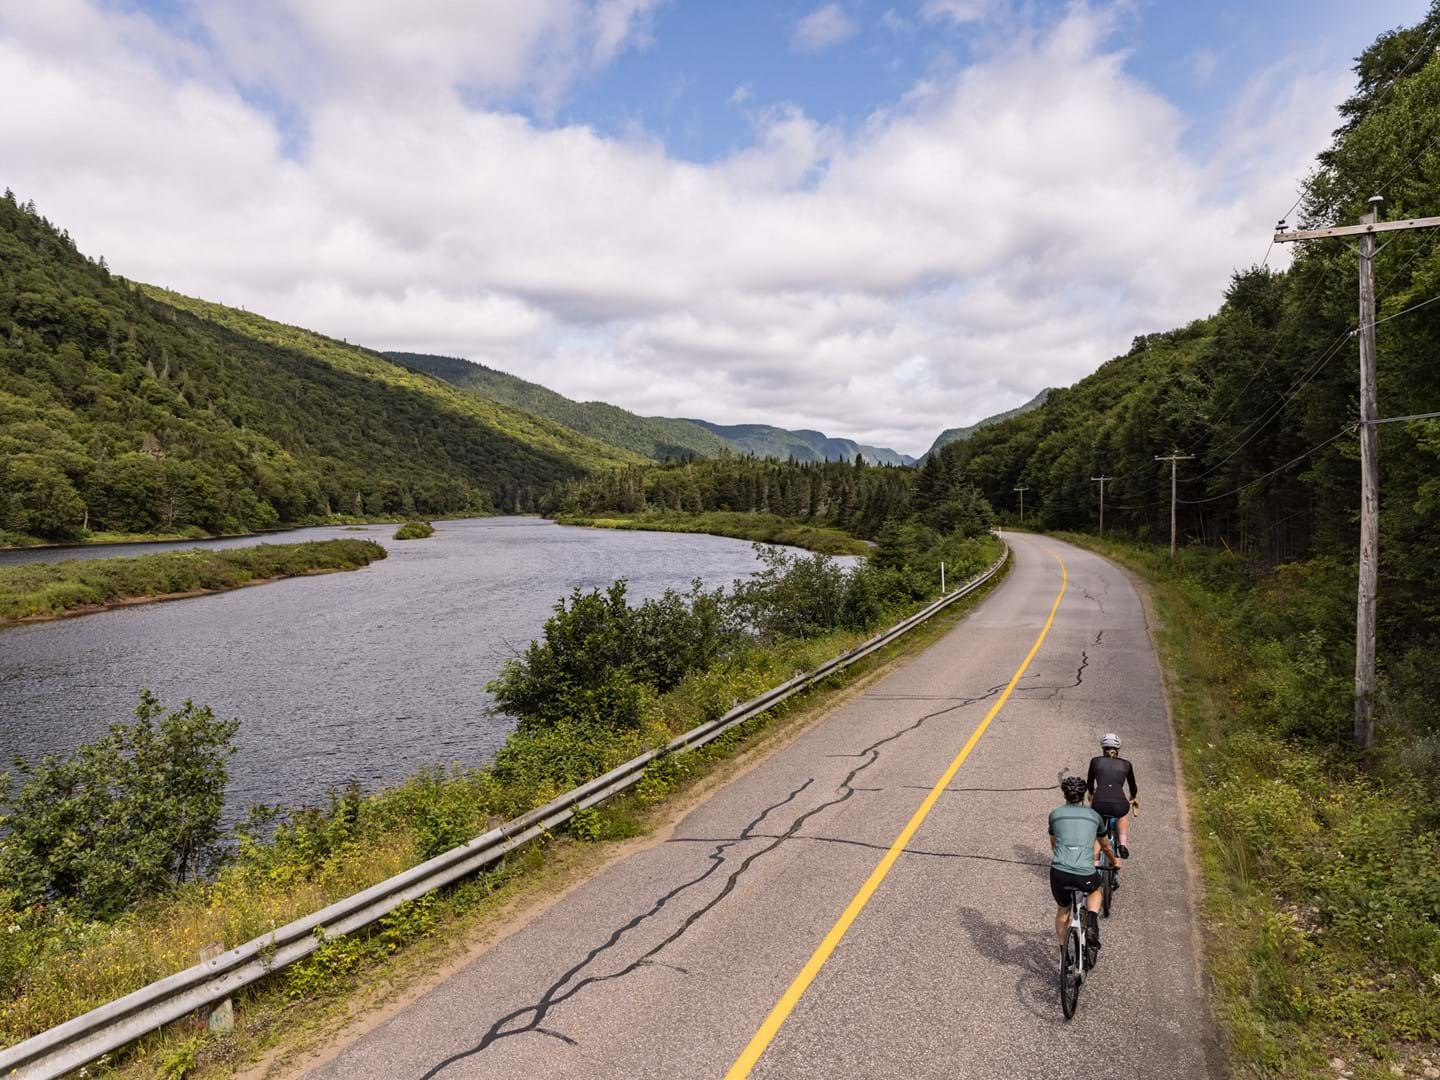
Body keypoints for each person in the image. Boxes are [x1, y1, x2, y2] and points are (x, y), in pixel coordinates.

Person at [1049, 775, 1117, 959]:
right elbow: (1105, 845)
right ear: (1084, 795)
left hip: (1060, 872)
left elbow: (1054, 844)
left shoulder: (1055, 814)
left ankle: (1064, 955)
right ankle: (1093, 921)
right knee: (1096, 889)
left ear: (1065, 795)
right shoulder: (1094, 816)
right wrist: (1115, 861)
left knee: (1063, 909)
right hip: (1084, 873)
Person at [1087, 732, 1138, 858]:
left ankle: (1096, 863)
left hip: (1099, 803)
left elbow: (1090, 783)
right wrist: (1133, 797)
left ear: (1102, 748)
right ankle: (1123, 844)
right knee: (1122, 815)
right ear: (1118, 748)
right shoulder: (1126, 764)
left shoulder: (1095, 761)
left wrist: (1091, 794)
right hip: (1119, 804)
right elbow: (1133, 786)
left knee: (1100, 834)